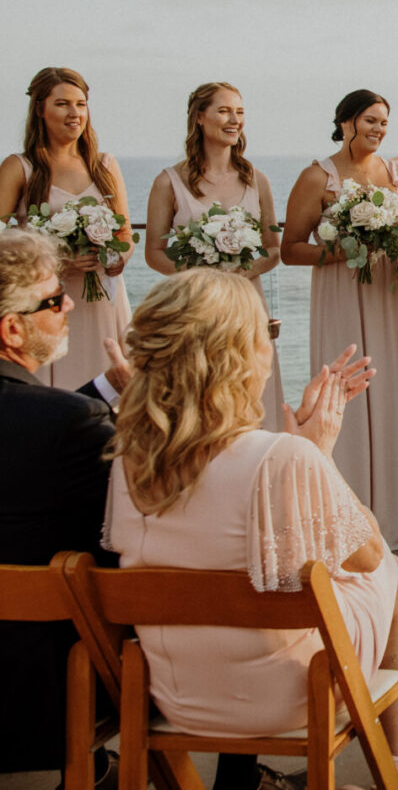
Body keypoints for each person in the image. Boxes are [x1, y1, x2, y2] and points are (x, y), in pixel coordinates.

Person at [103, 269, 398, 790]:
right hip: (288, 698)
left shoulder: (129, 458)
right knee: (392, 571)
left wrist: (295, 450)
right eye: (267, 333)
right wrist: (317, 452)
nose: (271, 346)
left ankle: (396, 752)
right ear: (238, 355)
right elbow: (369, 554)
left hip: (174, 692)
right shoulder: (283, 458)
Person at [0, 228, 124, 787]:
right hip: (46, 691)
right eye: (53, 300)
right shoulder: (68, 426)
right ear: (12, 328)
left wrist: (108, 391)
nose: (69, 303)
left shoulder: (63, 420)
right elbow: (119, 544)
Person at [282, 89, 398, 550]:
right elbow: (290, 248)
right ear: (346, 123)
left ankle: (396, 516)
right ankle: (344, 517)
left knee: (392, 391)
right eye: (370, 121)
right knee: (347, 394)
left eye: (384, 123)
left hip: (387, 293)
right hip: (341, 292)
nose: (378, 130)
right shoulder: (316, 176)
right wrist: (341, 250)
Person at [144, 82, 287, 433]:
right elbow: (153, 253)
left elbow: (273, 249)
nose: (233, 119)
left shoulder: (257, 180)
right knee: (199, 400)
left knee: (251, 397)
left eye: (239, 112)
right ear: (199, 118)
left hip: (246, 304)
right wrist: (199, 274)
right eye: (224, 111)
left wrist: (242, 272)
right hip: (196, 304)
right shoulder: (168, 182)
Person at [0, 67, 134, 390]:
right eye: (62, 104)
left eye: (81, 104)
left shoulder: (105, 166)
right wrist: (59, 263)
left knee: (110, 385)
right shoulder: (21, 167)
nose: (75, 113)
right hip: (48, 301)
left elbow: (125, 235)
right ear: (40, 109)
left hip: (102, 300)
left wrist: (117, 259)